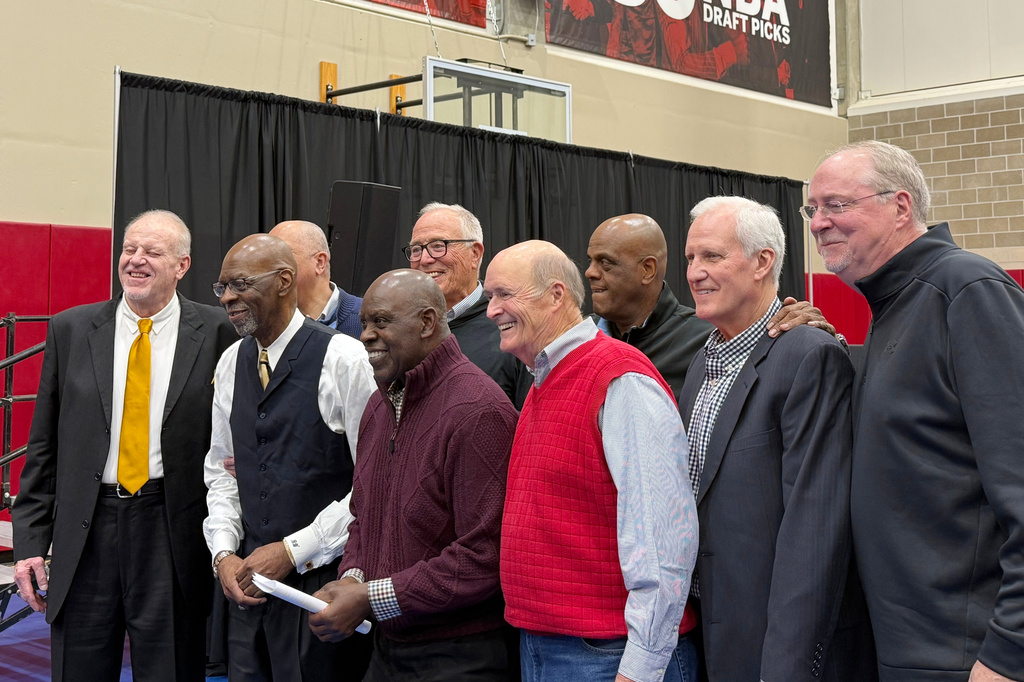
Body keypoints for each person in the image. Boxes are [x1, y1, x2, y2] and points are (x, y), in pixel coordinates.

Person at [806, 140, 1024, 682]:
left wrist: (1007, 653)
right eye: (813, 209)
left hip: (967, 657)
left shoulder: (965, 290)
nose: (819, 224)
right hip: (911, 650)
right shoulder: (894, 307)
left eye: (837, 205)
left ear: (900, 206)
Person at [12, 210, 236, 682]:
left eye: (152, 252)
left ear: (182, 265)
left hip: (171, 531)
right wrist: (30, 544)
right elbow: (44, 446)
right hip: (87, 532)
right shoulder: (71, 329)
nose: (136, 260)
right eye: (129, 249)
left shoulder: (219, 333)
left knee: (171, 668)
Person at [678, 196, 872, 681]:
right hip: (709, 634)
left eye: (712, 257)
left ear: (763, 262)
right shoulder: (704, 361)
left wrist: (786, 668)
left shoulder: (808, 354)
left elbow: (815, 533)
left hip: (773, 646)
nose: (694, 273)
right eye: (690, 258)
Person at [485, 241, 699, 682]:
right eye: (490, 297)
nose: (492, 311)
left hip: (608, 655)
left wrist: (641, 667)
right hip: (555, 646)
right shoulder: (546, 379)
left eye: (504, 294)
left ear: (556, 295)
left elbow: (663, 535)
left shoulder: (619, 377)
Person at [308, 269, 518, 681]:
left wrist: (371, 596)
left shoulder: (478, 410)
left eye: (381, 322)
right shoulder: (378, 406)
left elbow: (484, 556)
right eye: (365, 322)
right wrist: (352, 579)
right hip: (389, 648)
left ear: (426, 323)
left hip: (462, 657)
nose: (366, 334)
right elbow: (363, 519)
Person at [203, 233, 375, 681]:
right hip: (247, 595)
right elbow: (221, 472)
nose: (228, 298)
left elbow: (374, 485)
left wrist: (292, 550)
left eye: (240, 284)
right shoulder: (228, 363)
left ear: (284, 281)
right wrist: (223, 553)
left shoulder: (345, 359)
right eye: (221, 287)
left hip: (322, 594)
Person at [586, 212, 838, 403]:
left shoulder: (707, 341)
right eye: (691, 258)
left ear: (648, 270)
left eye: (606, 263)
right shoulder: (577, 342)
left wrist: (813, 330)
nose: (589, 273)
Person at [406, 202, 531, 408]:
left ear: (474, 254)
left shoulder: (512, 330)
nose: (425, 259)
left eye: (438, 245)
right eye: (416, 249)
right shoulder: (403, 328)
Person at [269, 220, 362, 339]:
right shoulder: (266, 326)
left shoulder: (368, 319)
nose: (267, 267)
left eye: (281, 255)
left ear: (319, 262)